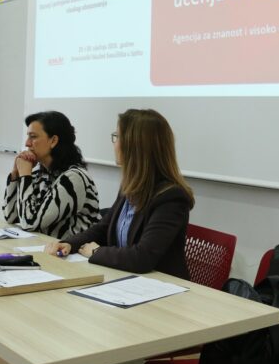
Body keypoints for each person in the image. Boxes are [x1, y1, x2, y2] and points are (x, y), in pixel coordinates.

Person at [45, 109, 194, 279]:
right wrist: (69, 244)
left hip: (163, 286)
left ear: (135, 145)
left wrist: (96, 251)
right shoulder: (130, 186)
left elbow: (142, 257)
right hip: (125, 278)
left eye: (117, 136)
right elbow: (103, 229)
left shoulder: (171, 197)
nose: (114, 143)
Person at [3, 111, 101, 237]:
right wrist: (15, 175)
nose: (27, 143)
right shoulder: (40, 174)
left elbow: (29, 223)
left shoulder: (73, 178)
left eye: (33, 137)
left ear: (53, 141)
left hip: (71, 248)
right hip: (42, 245)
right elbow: (11, 217)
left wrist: (25, 176)